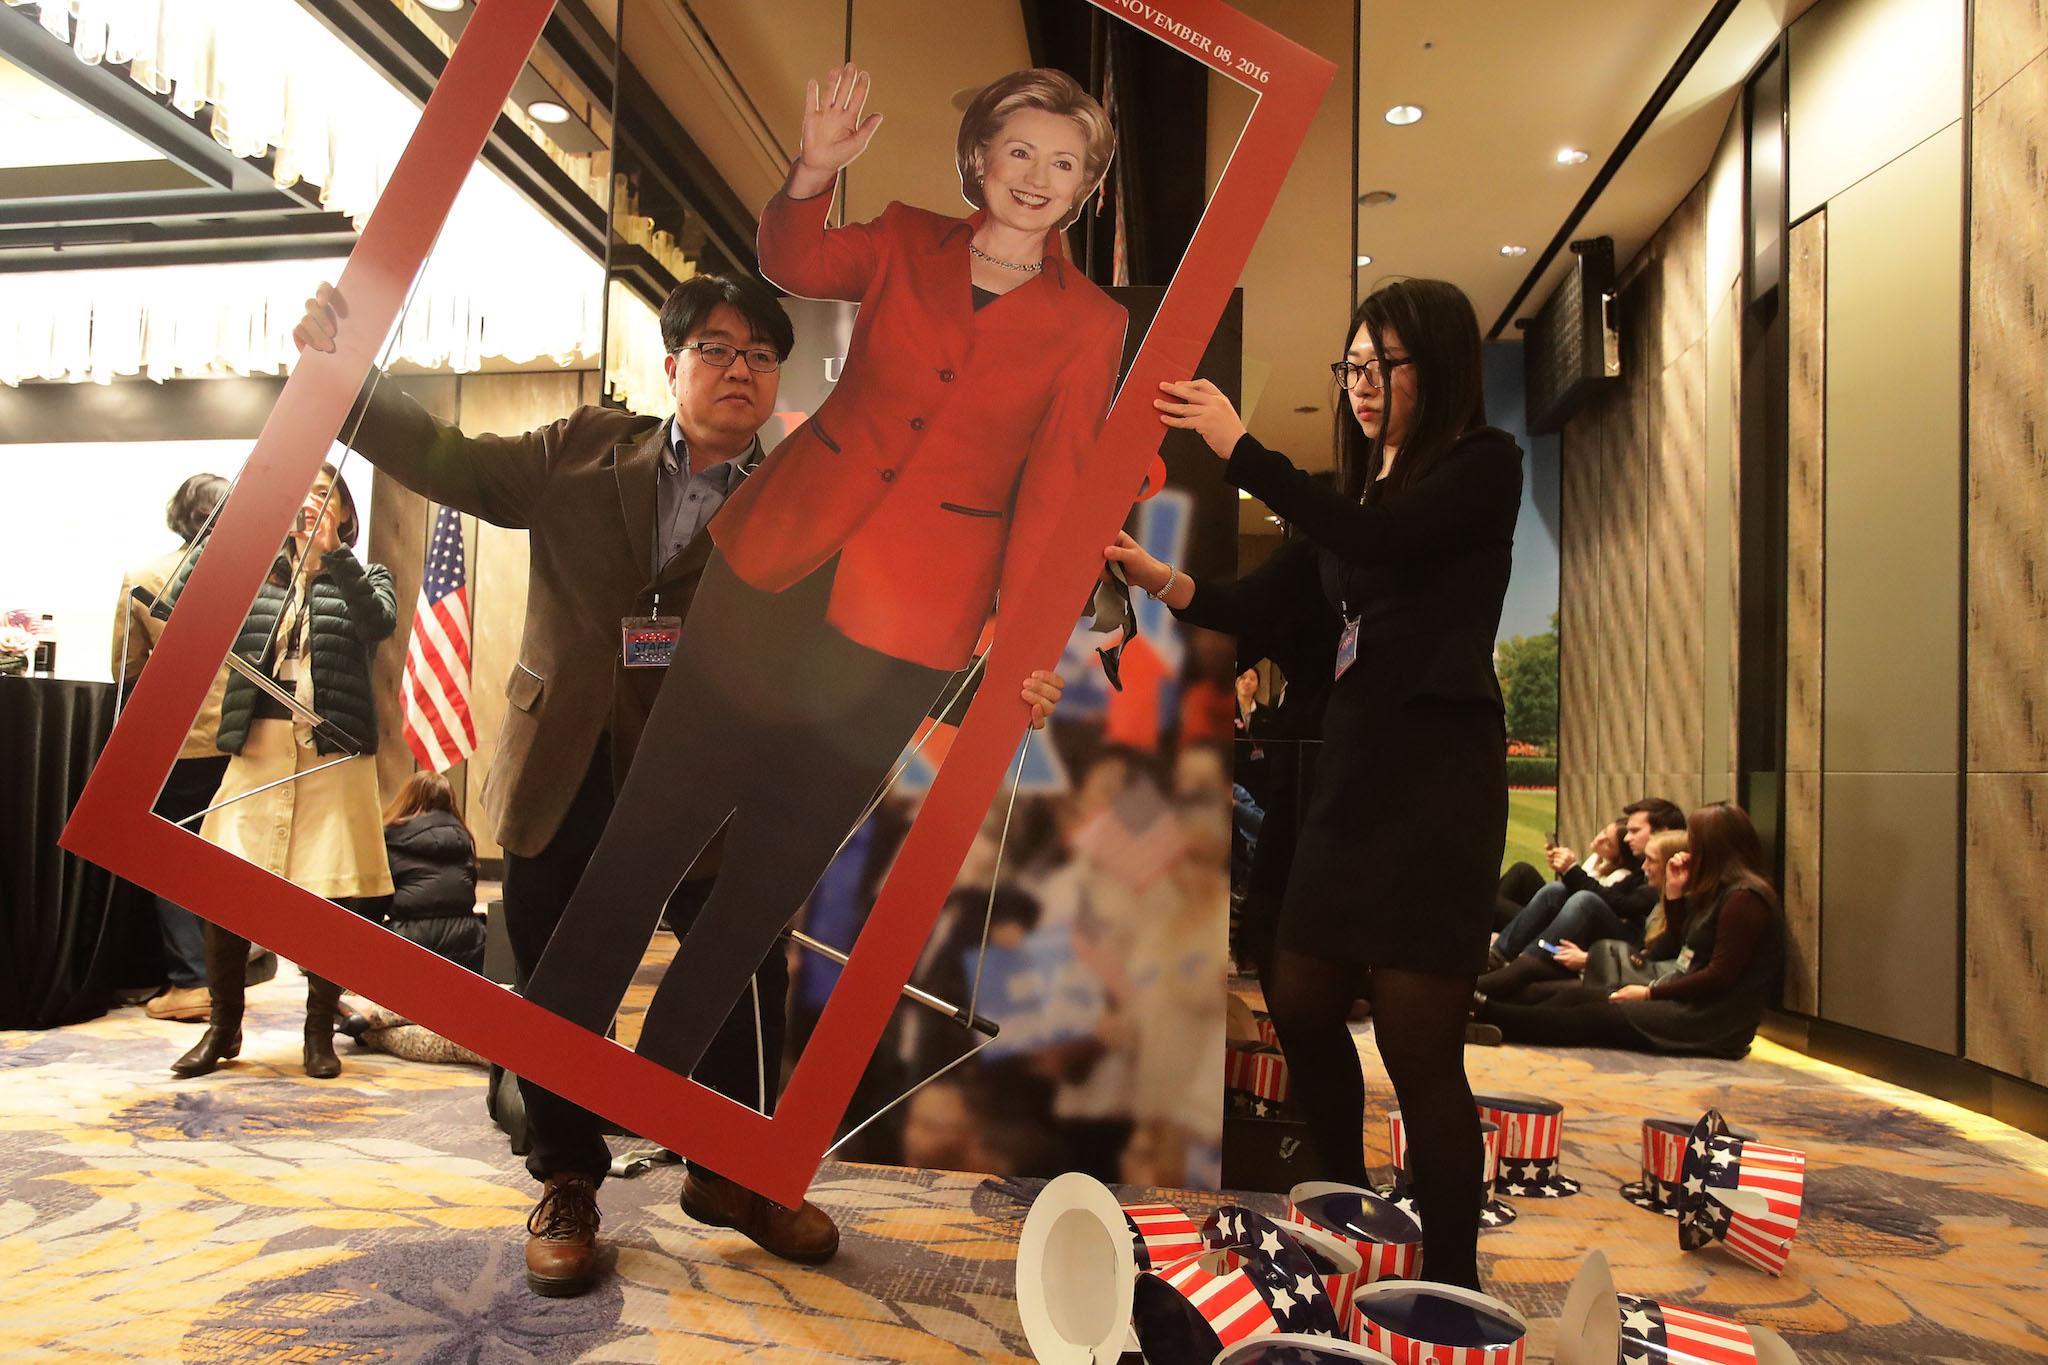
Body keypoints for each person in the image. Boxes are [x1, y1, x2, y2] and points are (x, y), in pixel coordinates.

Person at [292, 270, 1065, 1298]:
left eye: (757, 353)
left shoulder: (819, 491)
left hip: (718, 773)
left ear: (779, 377)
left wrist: (1001, 692)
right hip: (566, 759)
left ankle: (734, 1171)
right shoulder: (578, 448)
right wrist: (343, 376)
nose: (736, 368)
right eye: (714, 348)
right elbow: (455, 462)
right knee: (558, 979)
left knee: (742, 978)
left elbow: (876, 640)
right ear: (672, 366)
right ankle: (566, 1175)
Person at [520, 64, 1122, 1104]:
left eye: (1063, 163)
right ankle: (552, 1099)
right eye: (1018, 151)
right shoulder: (899, 237)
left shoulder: (1089, 324)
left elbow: (1054, 498)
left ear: (1085, 187)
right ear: (977, 157)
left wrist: (1021, 655)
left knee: (762, 888)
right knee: (645, 839)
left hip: (908, 629)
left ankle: (663, 1103)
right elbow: (793, 258)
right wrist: (813, 171)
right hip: (771, 574)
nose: (1036, 176)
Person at [1107, 278, 1523, 1292]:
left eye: (1383, 363)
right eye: (1351, 365)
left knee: (1421, 1049)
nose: (1362, 383)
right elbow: (1253, 605)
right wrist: (1149, 574)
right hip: (1345, 780)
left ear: (1439, 367)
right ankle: (1349, 1216)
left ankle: (1450, 1282)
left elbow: (1382, 545)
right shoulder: (1356, 507)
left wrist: (1239, 450)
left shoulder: (1479, 467)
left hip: (1433, 784)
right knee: (1297, 999)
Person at [167, 464, 397, 1081]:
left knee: (333, 895)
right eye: (302, 498)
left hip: (334, 752)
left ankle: (318, 1032)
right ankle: (223, 1027)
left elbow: (377, 622)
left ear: (345, 513)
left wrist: (334, 557)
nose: (310, 507)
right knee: (225, 887)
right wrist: (241, 522)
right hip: (259, 747)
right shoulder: (261, 577)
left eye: (324, 497)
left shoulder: (368, 574)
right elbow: (183, 597)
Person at [1476, 803, 1784, 1058]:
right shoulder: (1722, 892)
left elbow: (1720, 976)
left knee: (1595, 1015)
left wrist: (1650, 993)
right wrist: (1675, 895)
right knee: (1577, 998)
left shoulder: (1745, 899)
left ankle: (1488, 1012)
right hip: (1685, 1000)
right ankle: (1489, 1013)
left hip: (1708, 1021)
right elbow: (1681, 945)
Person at [114, 473, 239, 1022]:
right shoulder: (261, 577)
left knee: (170, 853)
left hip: (179, 738)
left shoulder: (144, 577)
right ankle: (228, 980)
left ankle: (191, 981)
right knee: (232, 858)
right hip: (246, 739)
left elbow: (126, 670)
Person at [374, 771, 484, 972]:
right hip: (467, 943)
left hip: (408, 942)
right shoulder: (463, 838)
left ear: (407, 798)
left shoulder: (390, 837)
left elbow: (376, 901)